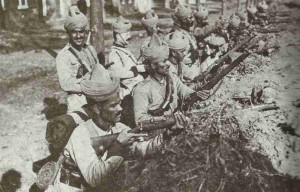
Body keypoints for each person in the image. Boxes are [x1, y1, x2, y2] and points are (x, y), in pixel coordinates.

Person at [45, 64, 182, 192]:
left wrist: (167, 135)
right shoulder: (81, 135)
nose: (120, 109)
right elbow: (94, 178)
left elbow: (141, 149)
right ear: (97, 109)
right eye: (113, 105)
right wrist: (118, 146)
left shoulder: (119, 127)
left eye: (120, 103)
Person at [133, 34, 210, 136]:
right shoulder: (142, 89)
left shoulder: (171, 78)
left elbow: (185, 92)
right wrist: (165, 119)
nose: (168, 64)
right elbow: (140, 120)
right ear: (153, 65)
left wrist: (198, 94)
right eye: (164, 62)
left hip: (176, 128)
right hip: (156, 135)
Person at [56, 7, 108, 112]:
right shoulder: (63, 56)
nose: (79, 36)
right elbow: (66, 84)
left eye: (81, 32)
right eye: (74, 32)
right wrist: (89, 86)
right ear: (68, 33)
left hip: (97, 99)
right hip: (79, 103)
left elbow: (98, 71)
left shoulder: (90, 49)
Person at [107, 16, 144, 99]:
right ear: (118, 35)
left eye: (129, 33)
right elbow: (115, 74)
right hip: (129, 91)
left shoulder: (124, 50)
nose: (129, 36)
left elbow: (132, 65)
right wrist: (135, 70)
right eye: (126, 34)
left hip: (138, 85)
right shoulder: (114, 53)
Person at [170, 4, 202, 82]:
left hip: (193, 68)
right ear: (184, 20)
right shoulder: (177, 34)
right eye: (190, 17)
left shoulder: (186, 31)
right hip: (186, 72)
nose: (193, 19)